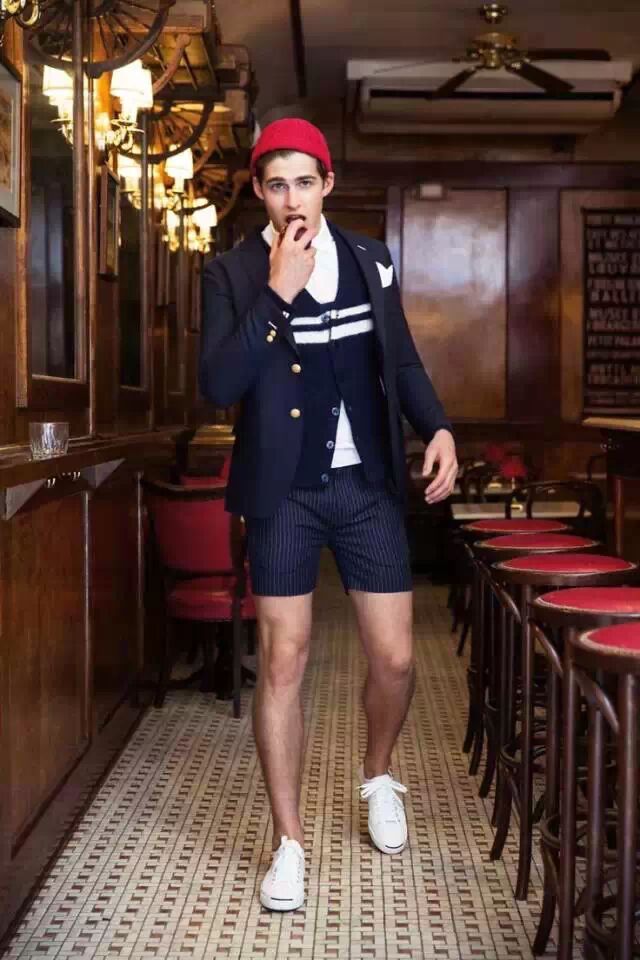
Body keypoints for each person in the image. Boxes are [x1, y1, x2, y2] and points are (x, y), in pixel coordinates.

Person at [199, 118, 457, 912]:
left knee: (397, 660)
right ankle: (289, 842)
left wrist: (439, 426)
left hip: (366, 487)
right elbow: (219, 384)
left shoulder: (372, 258)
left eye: (304, 182)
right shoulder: (232, 273)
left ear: (328, 184)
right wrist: (277, 291)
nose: (292, 200)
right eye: (276, 185)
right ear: (258, 191)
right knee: (284, 661)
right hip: (283, 494)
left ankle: (378, 775)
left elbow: (400, 359)